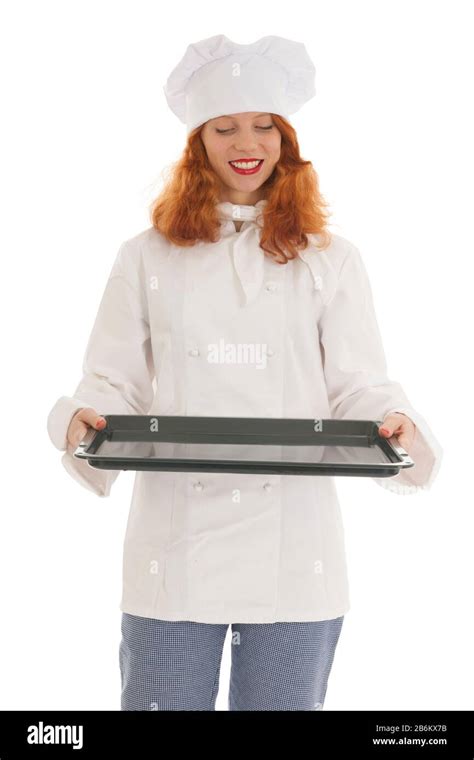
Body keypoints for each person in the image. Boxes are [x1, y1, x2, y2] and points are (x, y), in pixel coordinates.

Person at [46, 34, 443, 711]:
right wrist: (82, 419)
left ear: (286, 139)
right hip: (174, 549)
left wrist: (393, 424)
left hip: (294, 550)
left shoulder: (331, 258)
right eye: (224, 126)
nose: (245, 141)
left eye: (263, 125)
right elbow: (110, 380)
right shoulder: (145, 257)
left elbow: (359, 383)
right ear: (198, 143)